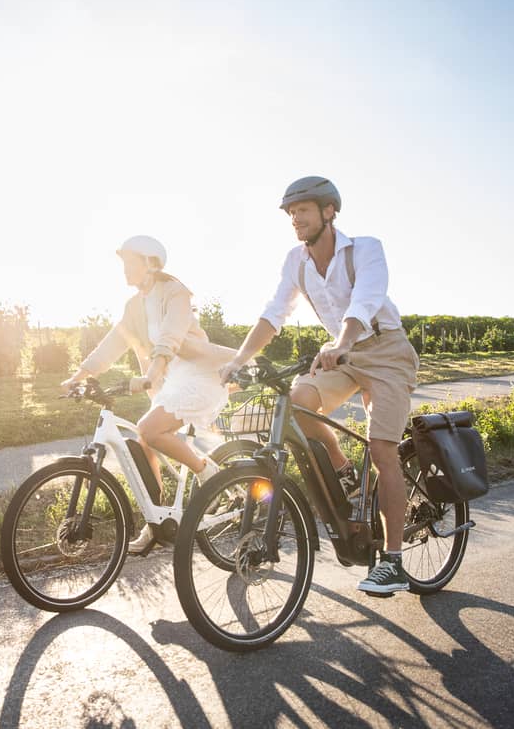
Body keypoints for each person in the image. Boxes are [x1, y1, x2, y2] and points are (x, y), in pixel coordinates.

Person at [220, 176, 420, 595]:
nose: (295, 219)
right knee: (298, 401)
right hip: (342, 354)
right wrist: (239, 359)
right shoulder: (296, 261)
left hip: (384, 351)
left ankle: (395, 561)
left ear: (329, 212)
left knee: (383, 449)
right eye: (291, 213)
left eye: (303, 211)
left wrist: (343, 342)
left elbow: (365, 300)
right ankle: (345, 473)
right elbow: (274, 312)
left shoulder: (365, 249)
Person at [63, 235, 238, 553]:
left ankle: (208, 474)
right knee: (145, 443)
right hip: (168, 383)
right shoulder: (133, 306)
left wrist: (149, 375)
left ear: (151, 264)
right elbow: (113, 342)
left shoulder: (175, 293)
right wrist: (79, 375)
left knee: (148, 429)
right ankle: (157, 522)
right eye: (123, 264)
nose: (125, 270)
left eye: (130, 263)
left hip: (197, 376)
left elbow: (170, 339)